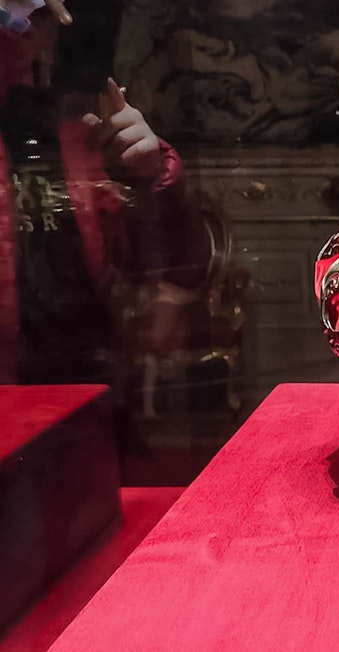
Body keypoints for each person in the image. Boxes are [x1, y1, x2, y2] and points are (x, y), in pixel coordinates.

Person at [0, 0, 208, 398]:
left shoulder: (90, 136)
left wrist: (152, 173)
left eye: (38, 18)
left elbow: (174, 268)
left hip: (90, 385)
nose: (23, 32)